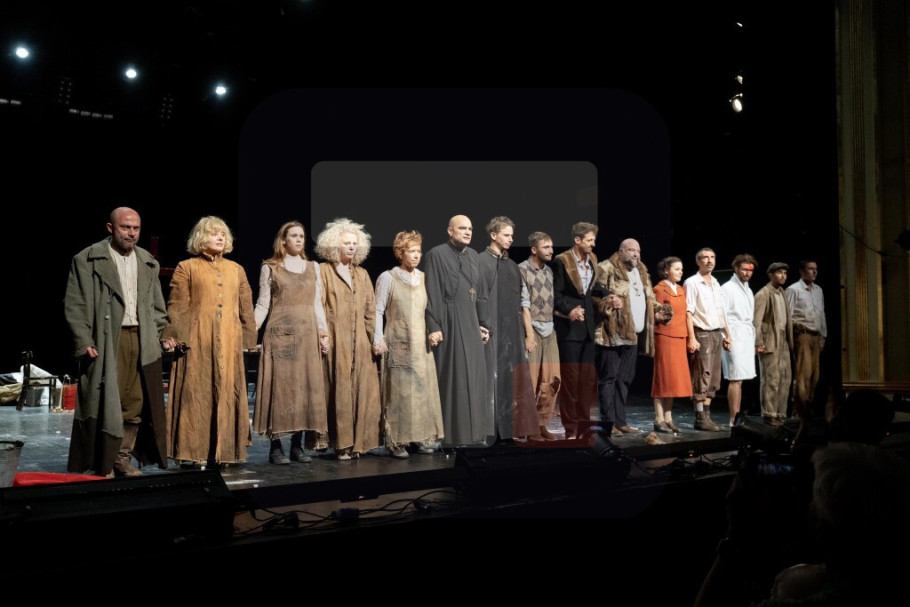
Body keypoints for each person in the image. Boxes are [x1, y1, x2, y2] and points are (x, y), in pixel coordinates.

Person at [64, 206, 171, 478]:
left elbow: (158, 307)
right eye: (125, 227)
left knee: (136, 401)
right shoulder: (88, 259)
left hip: (141, 339)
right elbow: (75, 304)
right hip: (107, 340)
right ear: (111, 228)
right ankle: (104, 461)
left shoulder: (147, 261)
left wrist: (159, 334)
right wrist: (83, 339)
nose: (131, 233)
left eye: (136, 228)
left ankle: (122, 458)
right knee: (107, 401)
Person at [162, 216, 257, 468]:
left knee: (226, 391)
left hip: (229, 340)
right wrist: (176, 335)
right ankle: (193, 452)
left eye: (223, 234)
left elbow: (246, 306)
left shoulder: (236, 269)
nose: (220, 237)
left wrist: (249, 338)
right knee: (196, 393)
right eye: (214, 233)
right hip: (197, 340)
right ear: (201, 238)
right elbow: (177, 305)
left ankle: (224, 452)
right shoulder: (187, 267)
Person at [252, 220, 329, 465]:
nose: (298, 240)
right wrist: (250, 330)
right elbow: (263, 303)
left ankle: (297, 446)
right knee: (281, 389)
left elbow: (317, 303)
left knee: (305, 388)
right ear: (283, 240)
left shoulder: (313, 267)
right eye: (293, 235)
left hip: (307, 334)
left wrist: (323, 333)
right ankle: (276, 447)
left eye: (301, 236)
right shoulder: (271, 267)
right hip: (281, 334)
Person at [372, 230, 444, 458]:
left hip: (421, 342)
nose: (416, 255)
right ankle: (397, 441)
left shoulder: (423, 278)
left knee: (422, 389)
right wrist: (377, 338)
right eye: (411, 251)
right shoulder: (388, 277)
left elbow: (430, 310)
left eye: (418, 251)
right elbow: (377, 310)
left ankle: (419, 436)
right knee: (399, 392)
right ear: (400, 253)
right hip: (398, 339)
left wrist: (433, 331)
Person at [316, 218, 382, 460]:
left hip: (361, 342)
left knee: (362, 391)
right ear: (335, 245)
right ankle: (340, 444)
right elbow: (317, 306)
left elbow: (370, 310)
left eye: (355, 243)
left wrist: (376, 339)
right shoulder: (323, 271)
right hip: (336, 339)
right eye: (347, 243)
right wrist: (322, 335)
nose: (352, 247)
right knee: (339, 389)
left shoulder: (362, 274)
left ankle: (359, 444)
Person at [423, 214, 492, 447]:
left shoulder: (474, 256)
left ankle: (476, 434)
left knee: (475, 377)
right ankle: (453, 437)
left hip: (471, 322)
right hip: (449, 321)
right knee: (456, 378)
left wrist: (484, 324)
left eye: (470, 229)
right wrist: (434, 325)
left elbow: (480, 293)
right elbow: (432, 293)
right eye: (462, 228)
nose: (468, 232)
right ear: (450, 231)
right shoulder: (436, 254)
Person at [476, 216, 540, 442]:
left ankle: (511, 430)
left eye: (512, 235)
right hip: (489, 331)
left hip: (511, 333)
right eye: (506, 235)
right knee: (490, 381)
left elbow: (520, 304)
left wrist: (524, 335)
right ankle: (488, 431)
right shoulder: (479, 262)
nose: (511, 239)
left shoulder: (512, 267)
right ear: (493, 235)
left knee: (512, 381)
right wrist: (481, 325)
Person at [592, 238, 654, 435]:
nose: (636, 254)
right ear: (620, 252)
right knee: (608, 378)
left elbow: (649, 298)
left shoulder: (641, 270)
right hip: (612, 334)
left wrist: (660, 310)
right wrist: (608, 301)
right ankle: (608, 423)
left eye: (638, 250)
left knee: (624, 379)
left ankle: (620, 422)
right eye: (631, 250)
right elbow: (594, 295)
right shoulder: (606, 268)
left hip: (633, 334)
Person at [552, 221, 599, 439]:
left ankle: (584, 426)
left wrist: (609, 295)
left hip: (587, 328)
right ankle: (570, 427)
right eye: (589, 240)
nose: (593, 244)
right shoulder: (562, 261)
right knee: (571, 381)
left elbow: (591, 291)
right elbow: (557, 294)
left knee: (587, 381)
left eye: (593, 240)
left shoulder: (593, 260)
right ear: (577, 240)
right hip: (569, 330)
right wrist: (570, 309)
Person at [518, 231, 561, 441]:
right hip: (532, 329)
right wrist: (529, 335)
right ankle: (528, 427)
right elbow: (523, 305)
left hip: (549, 329)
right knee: (531, 380)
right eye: (546, 247)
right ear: (534, 249)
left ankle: (542, 423)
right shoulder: (522, 270)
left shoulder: (549, 271)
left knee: (552, 379)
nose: (551, 250)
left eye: (551, 246)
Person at [684, 247, 732, 432]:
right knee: (701, 375)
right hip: (702, 333)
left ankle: (707, 415)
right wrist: (692, 337)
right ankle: (699, 417)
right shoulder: (692, 282)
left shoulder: (716, 283)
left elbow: (721, 312)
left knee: (714, 377)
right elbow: (688, 312)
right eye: (705, 257)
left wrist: (727, 334)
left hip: (716, 333)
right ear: (698, 261)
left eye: (712, 257)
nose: (709, 260)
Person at [650, 256, 690, 433]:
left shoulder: (680, 289)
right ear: (666, 270)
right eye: (676, 269)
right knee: (663, 378)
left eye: (681, 269)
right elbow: (654, 314)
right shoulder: (659, 289)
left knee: (673, 380)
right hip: (664, 337)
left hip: (679, 337)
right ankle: (659, 419)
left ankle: (668, 418)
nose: (680, 272)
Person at [753, 262, 793, 426]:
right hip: (769, 339)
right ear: (770, 275)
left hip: (783, 339)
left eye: (785, 273)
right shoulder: (763, 293)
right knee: (771, 379)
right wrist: (758, 342)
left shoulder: (782, 292)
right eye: (779, 273)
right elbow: (756, 321)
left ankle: (780, 413)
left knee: (785, 378)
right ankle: (769, 414)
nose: (783, 276)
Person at [721, 254, 758, 429]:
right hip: (733, 334)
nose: (747, 273)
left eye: (750, 270)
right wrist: (726, 337)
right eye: (744, 269)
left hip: (746, 335)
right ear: (736, 269)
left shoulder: (748, 290)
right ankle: (733, 418)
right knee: (735, 377)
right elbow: (722, 315)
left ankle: (737, 418)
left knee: (741, 379)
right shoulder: (727, 288)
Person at [786, 259, 827, 410]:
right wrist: (795, 328)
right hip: (803, 335)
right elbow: (786, 315)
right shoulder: (794, 290)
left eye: (815, 268)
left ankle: (807, 407)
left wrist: (823, 335)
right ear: (802, 271)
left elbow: (821, 313)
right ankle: (799, 409)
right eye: (810, 269)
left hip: (816, 336)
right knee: (803, 373)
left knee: (815, 375)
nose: (814, 271)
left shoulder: (818, 290)